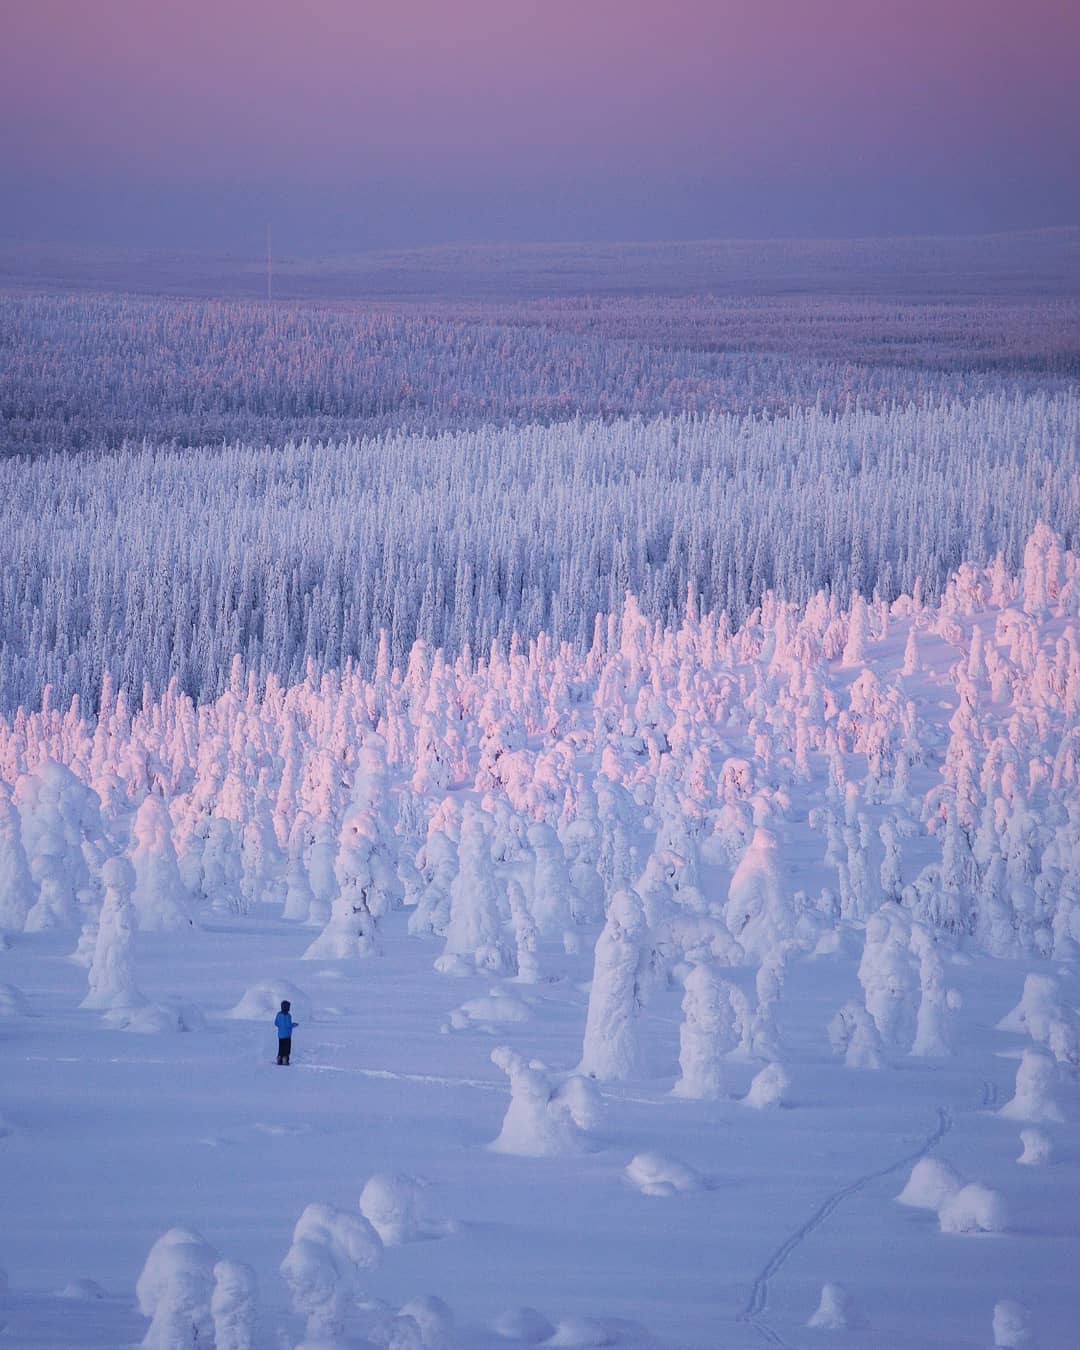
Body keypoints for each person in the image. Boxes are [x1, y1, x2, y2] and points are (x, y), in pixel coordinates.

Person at [275, 999, 298, 1065]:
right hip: (287, 1036)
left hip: (280, 1035)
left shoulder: (278, 1014)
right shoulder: (288, 1016)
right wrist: (294, 1025)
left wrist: (281, 1025)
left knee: (281, 1048)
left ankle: (279, 1058)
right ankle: (285, 1059)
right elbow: (288, 1025)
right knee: (287, 1048)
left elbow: (276, 1023)